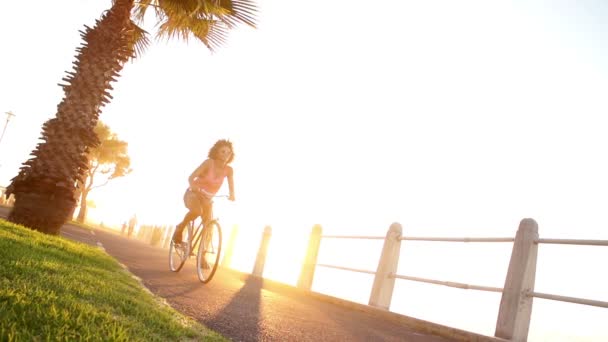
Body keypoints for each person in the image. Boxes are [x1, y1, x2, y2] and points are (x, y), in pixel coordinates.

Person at [172, 139, 236, 244]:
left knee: (208, 226)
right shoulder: (209, 163)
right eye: (223, 152)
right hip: (193, 194)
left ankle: (201, 255)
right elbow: (191, 178)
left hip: (207, 199)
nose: (226, 155)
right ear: (216, 152)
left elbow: (231, 185)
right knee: (197, 211)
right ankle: (180, 227)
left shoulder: (229, 170)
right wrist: (193, 187)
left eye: (229, 152)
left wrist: (232, 194)